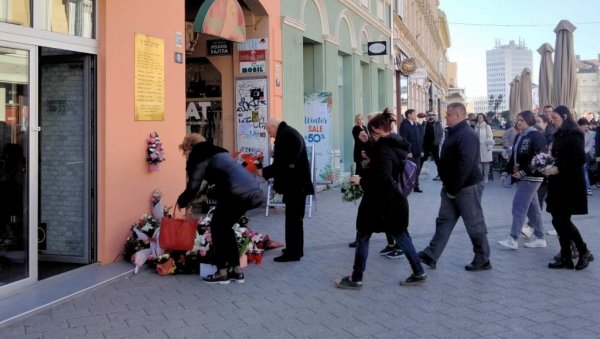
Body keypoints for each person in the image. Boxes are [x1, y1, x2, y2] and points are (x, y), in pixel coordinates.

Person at [335, 109, 426, 289]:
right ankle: (418, 271)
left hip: (380, 201)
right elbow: (380, 155)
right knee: (401, 235)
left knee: (363, 235)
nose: (369, 135)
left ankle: (356, 278)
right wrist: (366, 142)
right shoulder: (395, 143)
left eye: (370, 132)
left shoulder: (384, 148)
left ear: (377, 131)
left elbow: (383, 175)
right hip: (395, 200)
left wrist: (361, 179)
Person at [177, 134, 264, 284]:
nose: (184, 155)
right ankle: (236, 271)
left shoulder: (199, 154)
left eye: (184, 152)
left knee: (217, 228)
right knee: (225, 228)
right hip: (253, 192)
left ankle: (221, 272)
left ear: (189, 147)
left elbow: (194, 184)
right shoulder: (218, 151)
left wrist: (182, 200)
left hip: (235, 194)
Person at [418, 102, 492, 272]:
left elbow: (464, 165)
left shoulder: (467, 134)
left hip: (466, 187)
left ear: (459, 116)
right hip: (452, 186)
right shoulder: (454, 132)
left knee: (474, 223)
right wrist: (449, 187)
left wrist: (453, 189)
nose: (445, 117)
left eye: (448, 114)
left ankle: (483, 258)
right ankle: (431, 255)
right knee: (444, 221)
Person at [257, 119, 314, 262]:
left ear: (274, 127)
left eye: (269, 131)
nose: (270, 135)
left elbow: (283, 164)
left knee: (293, 220)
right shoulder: (289, 133)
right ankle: (295, 249)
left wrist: (263, 172)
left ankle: (292, 253)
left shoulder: (285, 136)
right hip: (297, 184)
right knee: (295, 219)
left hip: (295, 185)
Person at [544, 106, 593, 270]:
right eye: (551, 118)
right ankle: (565, 256)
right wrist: (549, 164)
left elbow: (579, 159)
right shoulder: (558, 134)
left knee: (562, 220)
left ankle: (583, 250)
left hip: (570, 184)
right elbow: (559, 156)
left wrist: (559, 168)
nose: (552, 120)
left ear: (565, 116)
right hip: (557, 182)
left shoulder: (574, 133)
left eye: (555, 117)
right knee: (557, 220)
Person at [498, 111, 547, 249]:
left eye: (522, 120)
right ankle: (540, 237)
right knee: (533, 209)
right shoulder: (520, 135)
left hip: (531, 176)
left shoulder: (536, 135)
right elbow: (514, 156)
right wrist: (505, 172)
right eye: (518, 120)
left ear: (529, 121)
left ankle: (513, 238)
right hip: (523, 176)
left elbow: (539, 158)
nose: (519, 122)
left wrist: (523, 172)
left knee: (518, 207)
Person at [399, 109, 423, 193]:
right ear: (409, 115)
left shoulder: (415, 124)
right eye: (414, 114)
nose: (416, 115)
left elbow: (419, 139)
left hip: (417, 151)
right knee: (410, 170)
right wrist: (408, 151)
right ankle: (408, 185)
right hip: (410, 152)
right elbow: (404, 139)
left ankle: (416, 185)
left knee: (417, 169)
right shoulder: (404, 125)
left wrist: (421, 150)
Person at [422, 111, 444, 181]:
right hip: (425, 145)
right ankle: (415, 176)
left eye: (432, 115)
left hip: (434, 145)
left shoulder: (437, 124)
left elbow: (440, 133)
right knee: (421, 160)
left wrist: (437, 142)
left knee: (437, 161)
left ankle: (440, 175)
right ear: (427, 116)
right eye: (429, 115)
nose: (431, 116)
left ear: (434, 116)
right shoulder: (424, 123)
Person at [577, 117, 595, 195]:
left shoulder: (590, 134)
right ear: (579, 125)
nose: (586, 126)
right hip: (574, 153)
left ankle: (587, 187)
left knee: (584, 170)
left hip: (584, 154)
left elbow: (590, 145)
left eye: (586, 125)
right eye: (583, 125)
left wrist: (582, 152)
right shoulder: (575, 133)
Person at [475, 113, 494, 183]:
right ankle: (480, 177)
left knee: (486, 163)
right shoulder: (476, 127)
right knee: (479, 163)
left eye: (480, 117)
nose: (479, 118)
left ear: (483, 118)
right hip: (478, 147)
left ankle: (486, 177)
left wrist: (489, 147)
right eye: (478, 117)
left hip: (486, 147)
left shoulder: (487, 126)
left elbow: (490, 137)